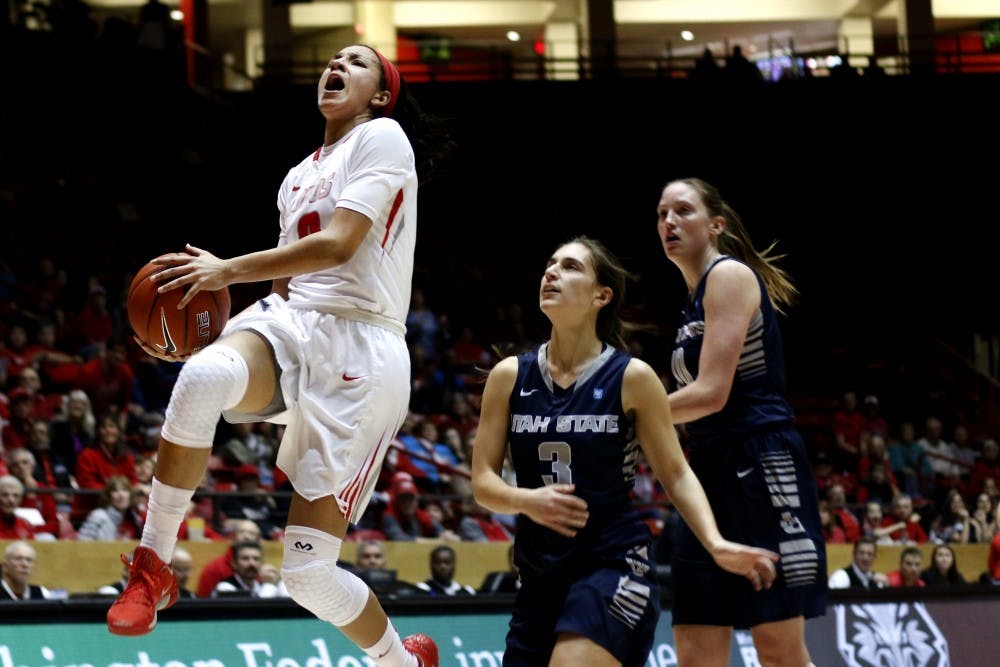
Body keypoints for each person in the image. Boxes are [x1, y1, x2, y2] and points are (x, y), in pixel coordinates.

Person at [105, 44, 443, 667]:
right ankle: (151, 568)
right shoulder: (295, 175)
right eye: (333, 58)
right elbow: (286, 289)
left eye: (357, 62)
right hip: (293, 323)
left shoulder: (384, 138)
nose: (336, 65)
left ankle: (401, 662)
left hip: (363, 352)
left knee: (308, 576)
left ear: (380, 94)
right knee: (203, 375)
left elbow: (340, 245)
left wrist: (225, 270)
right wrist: (203, 332)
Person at [470, 236, 778, 667]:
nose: (552, 272)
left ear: (602, 295)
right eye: (549, 264)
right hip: (540, 576)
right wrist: (527, 500)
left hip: (613, 565)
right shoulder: (509, 376)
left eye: (571, 266)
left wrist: (715, 542)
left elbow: (676, 474)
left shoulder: (632, 377)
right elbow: (482, 483)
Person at [655, 178, 826, 666]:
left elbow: (711, 393)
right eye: (662, 214)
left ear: (716, 224)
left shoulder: (729, 276)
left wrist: (632, 412)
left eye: (683, 211)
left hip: (760, 462)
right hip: (707, 469)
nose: (669, 222)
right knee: (696, 645)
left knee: (779, 651)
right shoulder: (691, 299)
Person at [196, 518, 262, 597]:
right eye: (242, 532)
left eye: (251, 533)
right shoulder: (214, 569)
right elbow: (203, 600)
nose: (246, 537)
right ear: (233, 537)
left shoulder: (262, 569)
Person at [211, 540, 289, 598]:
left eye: (256, 559)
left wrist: (279, 581)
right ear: (234, 564)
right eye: (245, 558)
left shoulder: (260, 584)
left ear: (262, 563)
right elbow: (253, 612)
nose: (252, 563)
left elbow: (289, 604)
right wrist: (269, 585)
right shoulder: (225, 587)